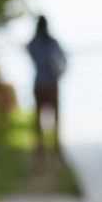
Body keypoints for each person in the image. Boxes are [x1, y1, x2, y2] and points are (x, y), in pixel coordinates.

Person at [26, 15, 68, 162]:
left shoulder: (33, 43)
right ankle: (55, 147)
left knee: (38, 118)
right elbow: (63, 60)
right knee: (55, 116)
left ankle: (40, 149)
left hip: (39, 83)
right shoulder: (52, 42)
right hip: (51, 83)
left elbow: (29, 51)